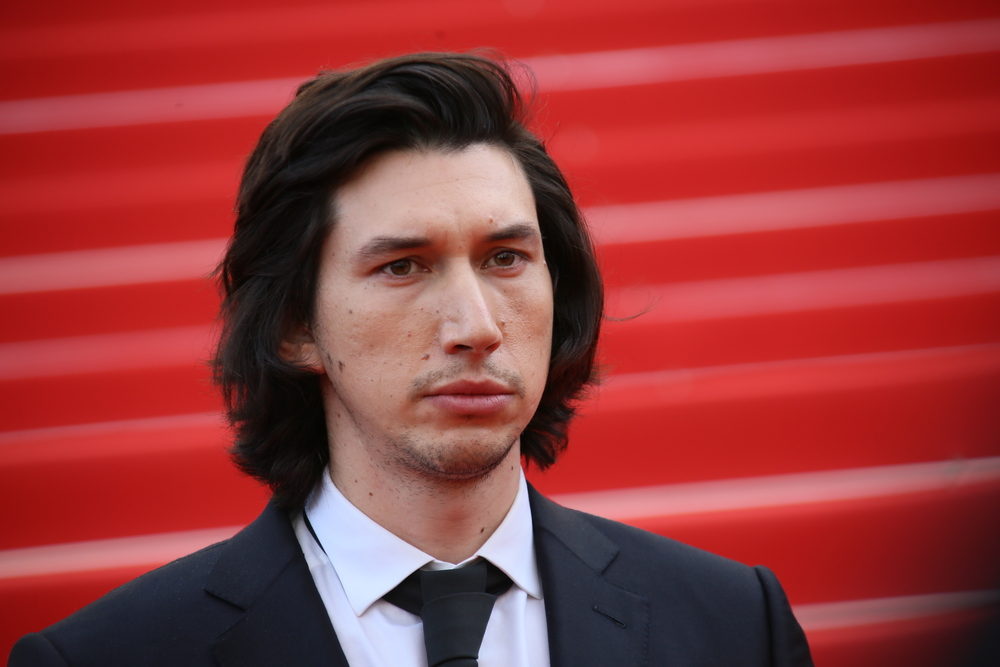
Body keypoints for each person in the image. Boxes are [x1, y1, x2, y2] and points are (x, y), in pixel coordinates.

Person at [9, 52, 813, 667]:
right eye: (403, 266)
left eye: (505, 258)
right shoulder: (109, 656)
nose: (475, 325)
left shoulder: (735, 623)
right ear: (295, 325)